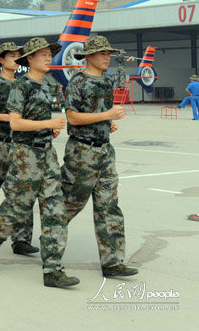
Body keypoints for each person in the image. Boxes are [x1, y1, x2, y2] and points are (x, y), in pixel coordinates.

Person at [0, 37, 79, 288]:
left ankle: (53, 270)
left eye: (50, 54)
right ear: (30, 59)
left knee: (55, 211)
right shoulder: (21, 86)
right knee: (17, 208)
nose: (49, 58)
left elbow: (35, 120)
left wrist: (48, 131)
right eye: (43, 54)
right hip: (26, 157)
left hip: (47, 155)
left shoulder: (46, 85)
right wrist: (47, 124)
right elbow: (15, 123)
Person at [63, 36, 139, 278]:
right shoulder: (77, 82)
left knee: (109, 207)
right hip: (82, 153)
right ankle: (50, 258)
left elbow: (96, 115)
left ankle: (113, 262)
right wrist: (107, 114)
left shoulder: (106, 81)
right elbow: (73, 118)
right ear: (88, 56)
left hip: (105, 151)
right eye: (102, 53)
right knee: (67, 206)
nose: (107, 57)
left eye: (108, 53)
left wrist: (107, 122)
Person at [0, 42, 38, 256]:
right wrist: (8, 118)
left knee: (22, 191)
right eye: (11, 55)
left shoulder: (24, 84)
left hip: (19, 145)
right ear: (1, 60)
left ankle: (21, 239)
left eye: (18, 55)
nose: (15, 59)